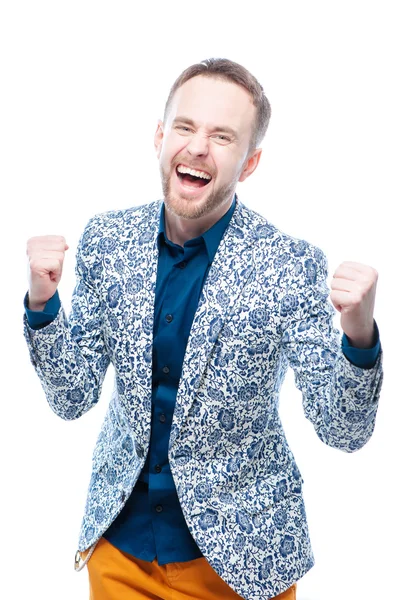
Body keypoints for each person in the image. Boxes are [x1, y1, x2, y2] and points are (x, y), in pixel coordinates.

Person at [24, 58, 383, 600]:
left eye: (222, 136)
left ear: (250, 161)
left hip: (242, 564)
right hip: (121, 552)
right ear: (160, 136)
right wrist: (43, 303)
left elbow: (344, 430)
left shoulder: (289, 265)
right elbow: (72, 397)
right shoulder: (107, 240)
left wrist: (358, 335)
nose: (197, 147)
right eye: (186, 127)